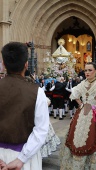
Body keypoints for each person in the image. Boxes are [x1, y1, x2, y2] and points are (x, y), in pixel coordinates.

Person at [0, 42, 49, 170]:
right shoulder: (37, 92)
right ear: (26, 64)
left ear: (4, 64)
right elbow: (41, 130)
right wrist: (21, 159)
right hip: (25, 156)